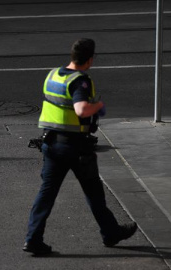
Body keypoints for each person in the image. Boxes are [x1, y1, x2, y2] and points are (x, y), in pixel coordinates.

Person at [23, 38, 137, 255]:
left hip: (50, 143)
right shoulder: (80, 81)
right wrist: (98, 106)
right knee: (94, 193)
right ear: (90, 59)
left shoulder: (54, 74)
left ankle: (33, 239)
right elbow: (81, 110)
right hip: (76, 148)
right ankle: (111, 233)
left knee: (46, 194)